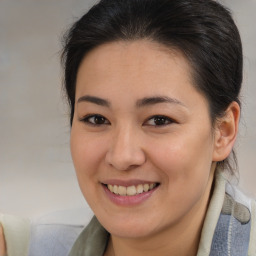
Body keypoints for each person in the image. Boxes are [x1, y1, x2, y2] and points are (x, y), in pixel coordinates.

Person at [60, 0, 255, 255]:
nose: (122, 157)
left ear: (223, 131)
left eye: (159, 120)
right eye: (97, 119)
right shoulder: (28, 247)